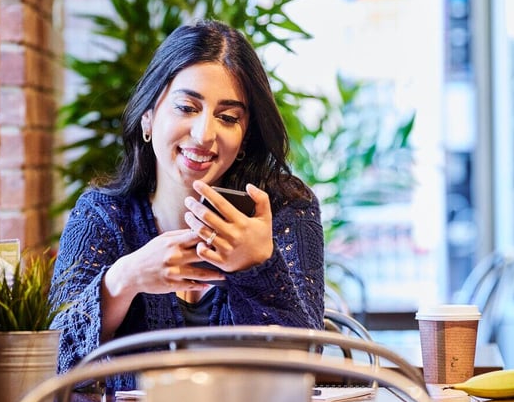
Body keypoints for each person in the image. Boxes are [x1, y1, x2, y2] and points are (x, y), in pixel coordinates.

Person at [49, 19, 326, 375]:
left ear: (244, 137)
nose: (203, 133)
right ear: (148, 118)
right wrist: (124, 278)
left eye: (227, 117)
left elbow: (307, 364)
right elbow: (51, 360)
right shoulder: (101, 216)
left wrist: (258, 267)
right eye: (186, 108)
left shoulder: (287, 211)